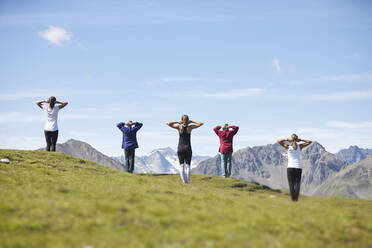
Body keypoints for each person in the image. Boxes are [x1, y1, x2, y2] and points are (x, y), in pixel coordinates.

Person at [167, 115, 203, 184]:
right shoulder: (190, 127)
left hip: (180, 148)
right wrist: (192, 121)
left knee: (181, 166)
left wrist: (177, 122)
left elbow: (168, 123)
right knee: (188, 166)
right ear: (188, 120)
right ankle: (188, 181)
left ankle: (184, 182)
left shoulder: (179, 127)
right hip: (188, 147)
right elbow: (200, 123)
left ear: (182, 120)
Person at [277, 134, 312, 201]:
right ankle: (296, 199)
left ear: (291, 139)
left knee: (291, 184)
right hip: (298, 168)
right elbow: (310, 142)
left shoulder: (287, 147)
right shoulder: (300, 146)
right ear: (297, 139)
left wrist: (287, 139)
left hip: (290, 168)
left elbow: (278, 141)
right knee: (297, 184)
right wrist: (301, 140)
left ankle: (293, 200)